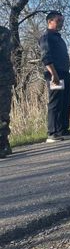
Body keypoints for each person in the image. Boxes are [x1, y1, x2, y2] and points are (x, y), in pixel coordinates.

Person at [39, 11, 70, 142]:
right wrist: (54, 74)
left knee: (65, 102)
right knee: (55, 103)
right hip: (54, 74)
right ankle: (52, 132)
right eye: (58, 21)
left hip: (64, 73)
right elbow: (46, 57)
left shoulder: (58, 37)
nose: (61, 23)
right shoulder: (46, 37)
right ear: (50, 21)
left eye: (62, 21)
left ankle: (63, 129)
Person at [0, 24, 15, 157]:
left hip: (2, 78)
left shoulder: (4, 33)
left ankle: (3, 144)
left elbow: (4, 52)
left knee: (3, 112)